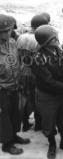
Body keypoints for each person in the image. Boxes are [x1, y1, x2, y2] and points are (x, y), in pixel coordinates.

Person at [31, 25, 63, 159]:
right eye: (54, 37)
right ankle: (52, 144)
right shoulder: (38, 58)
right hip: (48, 95)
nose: (57, 39)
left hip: (62, 93)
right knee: (49, 121)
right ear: (48, 41)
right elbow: (49, 82)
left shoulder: (60, 51)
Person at [0, 14, 30, 155]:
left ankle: (14, 136)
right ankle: (7, 143)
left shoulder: (12, 42)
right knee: (4, 118)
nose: (9, 33)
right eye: (5, 31)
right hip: (2, 90)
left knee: (15, 114)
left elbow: (16, 62)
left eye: (10, 29)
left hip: (14, 86)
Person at [17, 14, 48, 131]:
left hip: (22, 70)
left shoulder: (21, 37)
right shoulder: (40, 39)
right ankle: (38, 124)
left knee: (24, 97)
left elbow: (16, 56)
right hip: (36, 73)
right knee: (38, 98)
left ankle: (24, 123)